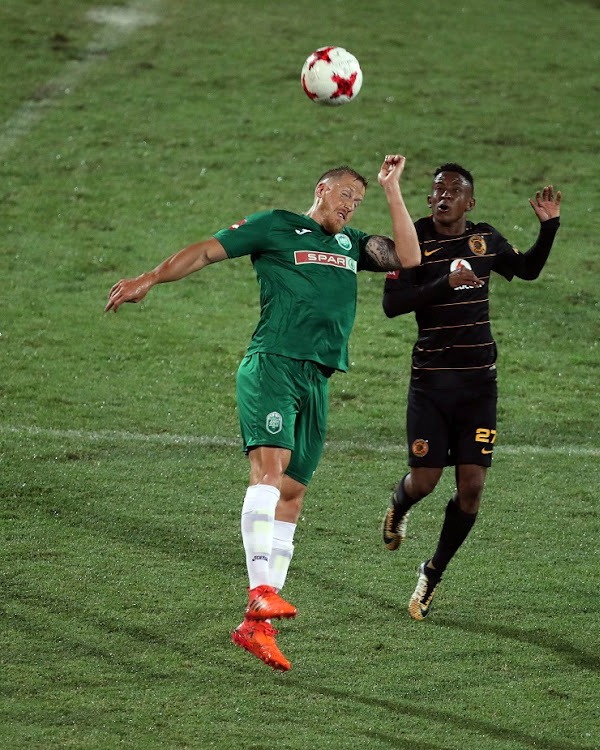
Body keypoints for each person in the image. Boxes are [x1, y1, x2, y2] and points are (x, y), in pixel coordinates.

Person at [105, 155, 421, 671]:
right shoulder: (277, 225)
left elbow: (409, 258)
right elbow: (206, 251)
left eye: (357, 200)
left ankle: (257, 627)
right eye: (345, 195)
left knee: (293, 495)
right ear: (321, 189)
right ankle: (259, 593)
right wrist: (152, 278)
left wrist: (391, 190)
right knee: (270, 476)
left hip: (317, 377)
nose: (349, 206)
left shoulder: (351, 244)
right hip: (272, 364)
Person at [381, 163, 561, 620]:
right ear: (428, 199)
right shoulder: (413, 238)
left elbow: (528, 270)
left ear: (470, 202)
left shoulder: (485, 240)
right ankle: (400, 503)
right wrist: (445, 281)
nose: (443, 196)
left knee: (472, 488)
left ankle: (432, 573)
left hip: (479, 384)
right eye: (437, 190)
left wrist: (549, 228)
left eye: (454, 191)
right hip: (432, 382)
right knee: (424, 481)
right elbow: (393, 305)